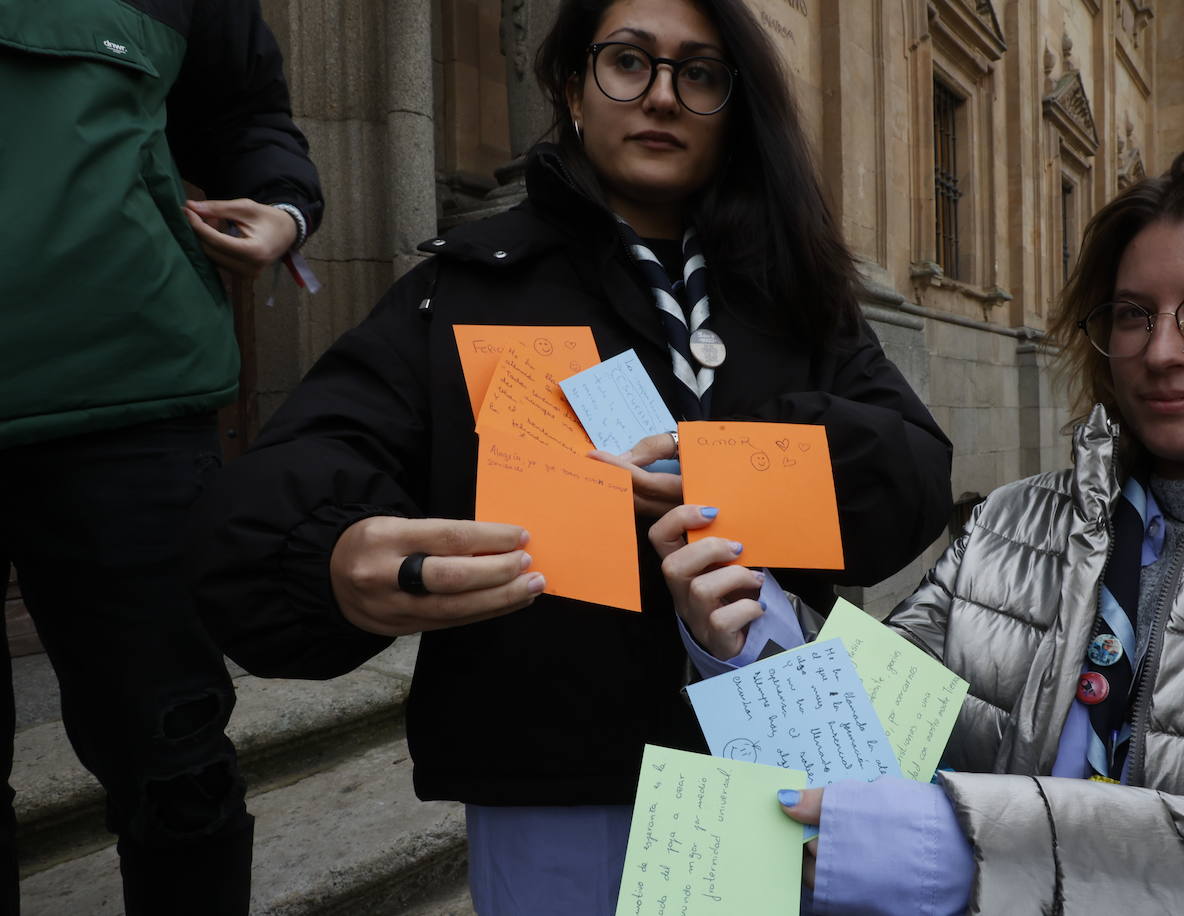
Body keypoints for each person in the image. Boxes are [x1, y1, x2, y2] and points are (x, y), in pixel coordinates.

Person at [190, 0, 952, 912]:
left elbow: (910, 473)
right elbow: (300, 466)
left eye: (699, 73)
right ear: (572, 90)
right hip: (551, 777)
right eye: (629, 62)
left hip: (767, 757)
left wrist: (717, 468)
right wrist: (327, 553)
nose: (663, 96)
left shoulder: (797, 296)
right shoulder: (464, 288)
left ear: (733, 107)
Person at [660, 141, 1184, 912]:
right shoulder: (1010, 522)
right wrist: (752, 639)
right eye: (1132, 313)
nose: (1161, 351)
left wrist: (973, 853)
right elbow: (876, 729)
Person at [0, 1, 322, 913]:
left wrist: (286, 209)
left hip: (128, 402)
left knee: (174, 758)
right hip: (132, 388)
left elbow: (244, 112)